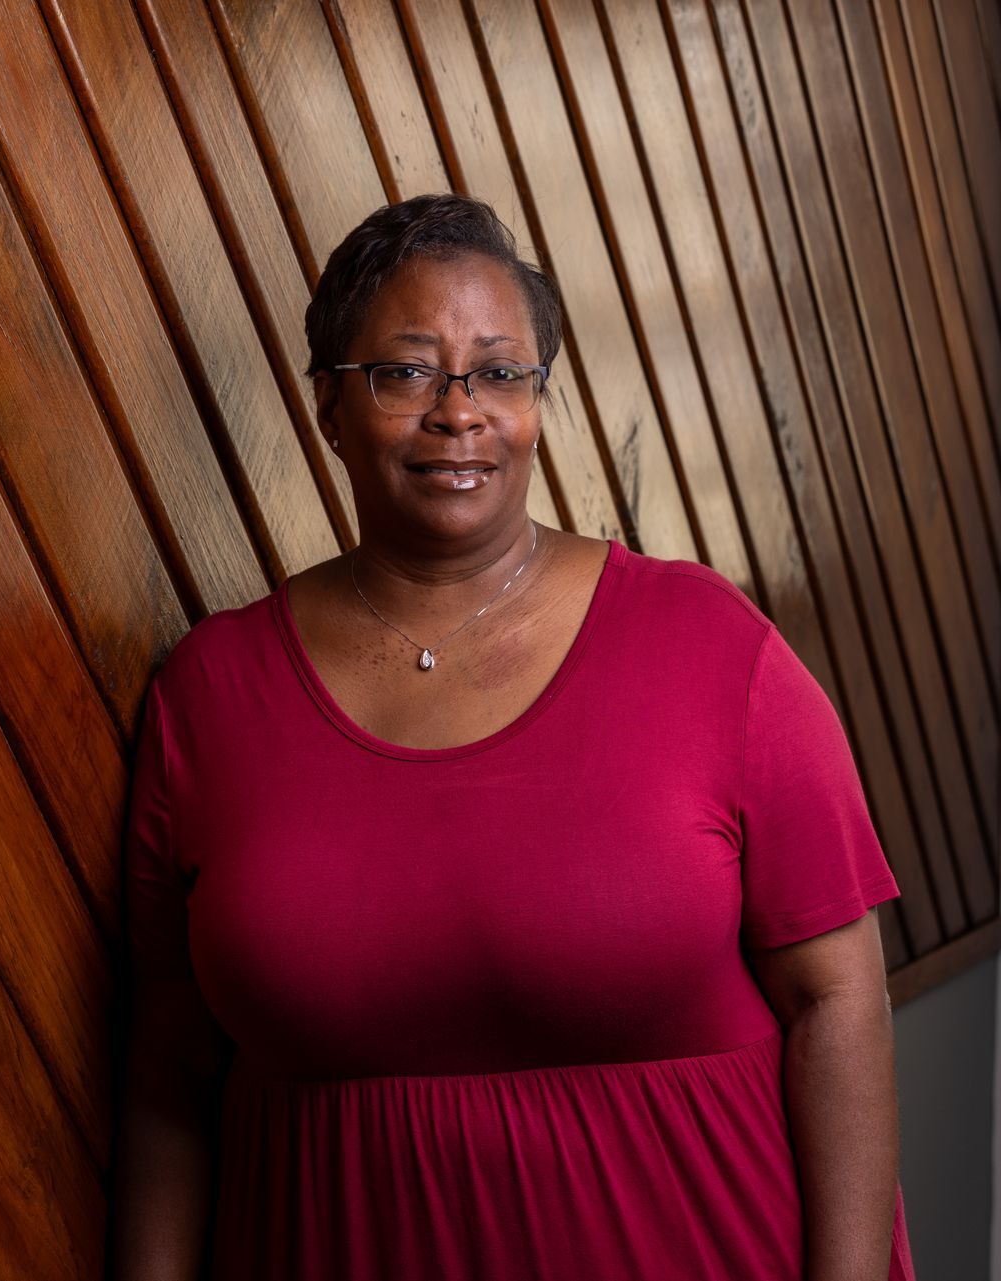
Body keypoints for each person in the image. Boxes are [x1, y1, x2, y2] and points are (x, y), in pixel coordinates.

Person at [108, 193, 913, 1279]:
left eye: (499, 372)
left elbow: (838, 1000)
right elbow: (171, 1073)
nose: (459, 412)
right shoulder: (209, 693)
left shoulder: (711, 646)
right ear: (328, 410)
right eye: (405, 373)